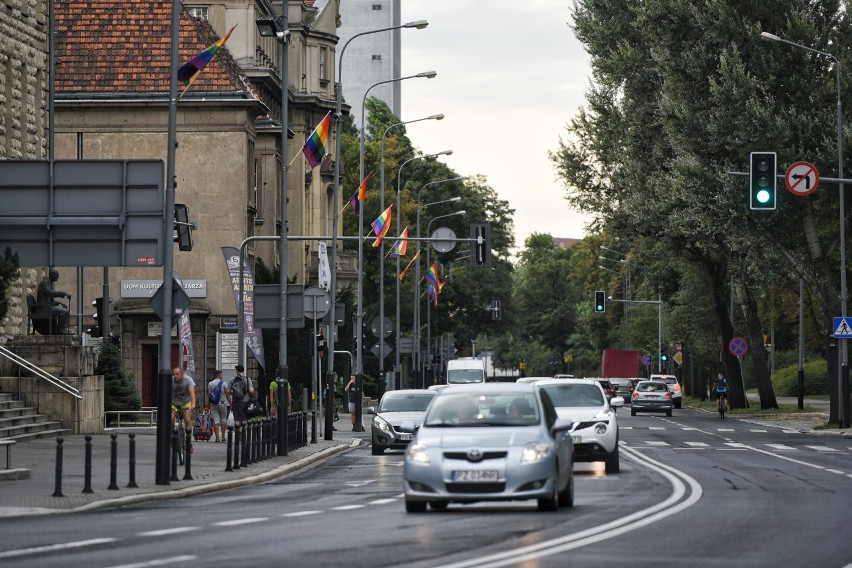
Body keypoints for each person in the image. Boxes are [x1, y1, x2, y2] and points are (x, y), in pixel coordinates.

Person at [36, 267, 71, 334]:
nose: (58, 276)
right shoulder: (44, 283)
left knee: (64, 310)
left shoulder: (50, 283)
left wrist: (60, 303)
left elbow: (50, 299)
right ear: (52, 275)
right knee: (65, 311)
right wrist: (64, 293)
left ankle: (61, 329)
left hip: (47, 306)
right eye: (57, 275)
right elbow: (51, 293)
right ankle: (61, 329)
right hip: (43, 308)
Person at [171, 366, 197, 450]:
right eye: (174, 374)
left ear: (182, 374)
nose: (175, 376)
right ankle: (172, 435)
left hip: (186, 403)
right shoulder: (171, 380)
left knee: (187, 418)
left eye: (177, 374)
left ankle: (189, 441)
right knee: (171, 417)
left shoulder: (188, 380)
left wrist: (193, 404)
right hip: (174, 403)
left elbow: (192, 393)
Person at [226, 364, 255, 431]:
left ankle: (237, 435)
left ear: (237, 371)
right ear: (243, 371)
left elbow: (227, 391)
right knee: (244, 419)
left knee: (237, 419)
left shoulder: (232, 379)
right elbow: (251, 390)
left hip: (235, 402)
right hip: (245, 402)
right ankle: (243, 436)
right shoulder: (247, 379)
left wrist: (233, 393)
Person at [206, 369, 228, 442]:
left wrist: (206, 405)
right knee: (223, 419)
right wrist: (230, 403)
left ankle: (217, 437)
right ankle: (223, 436)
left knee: (216, 420)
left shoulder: (210, 383)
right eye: (221, 374)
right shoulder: (224, 383)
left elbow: (209, 395)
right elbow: (227, 395)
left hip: (213, 404)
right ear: (219, 375)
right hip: (222, 403)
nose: (222, 376)